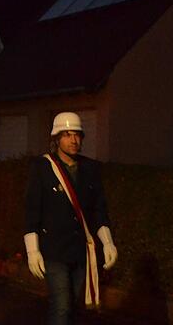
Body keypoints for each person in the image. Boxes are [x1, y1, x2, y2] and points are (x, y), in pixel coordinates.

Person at [24, 112, 118, 325]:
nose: (73, 140)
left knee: (74, 306)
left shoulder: (91, 168)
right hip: (53, 250)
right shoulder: (42, 168)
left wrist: (108, 242)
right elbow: (32, 211)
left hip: (80, 250)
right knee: (62, 305)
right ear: (56, 138)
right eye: (67, 135)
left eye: (77, 134)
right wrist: (32, 250)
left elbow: (99, 210)